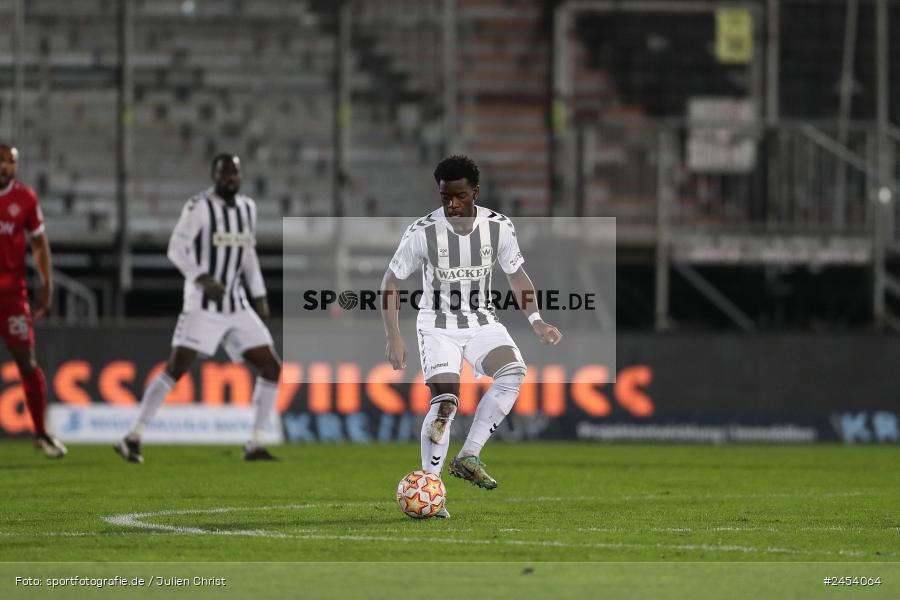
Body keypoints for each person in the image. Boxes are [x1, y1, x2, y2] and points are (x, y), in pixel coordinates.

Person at [381, 155, 561, 517]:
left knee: (514, 371)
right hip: (437, 325)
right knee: (446, 403)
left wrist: (537, 321)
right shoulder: (423, 232)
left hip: (482, 321)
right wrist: (394, 336)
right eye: (445, 197)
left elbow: (516, 274)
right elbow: (391, 281)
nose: (451, 204)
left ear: (475, 192)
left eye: (460, 196)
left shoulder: (499, 228)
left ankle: (469, 455)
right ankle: (433, 487)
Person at [115, 154, 281, 463]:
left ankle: (255, 443)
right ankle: (132, 436)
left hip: (236, 304)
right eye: (224, 173)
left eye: (234, 172)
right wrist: (201, 278)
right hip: (202, 305)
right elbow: (175, 248)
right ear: (213, 175)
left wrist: (259, 295)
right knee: (176, 368)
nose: (230, 178)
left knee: (271, 365)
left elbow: (247, 253)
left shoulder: (248, 208)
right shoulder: (199, 207)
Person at [0, 144, 67, 458]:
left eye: (9, 162)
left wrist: (47, 285)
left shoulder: (25, 198)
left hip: (12, 294)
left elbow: (40, 245)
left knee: (27, 362)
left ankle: (41, 432)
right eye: (0, 162)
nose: (4, 167)